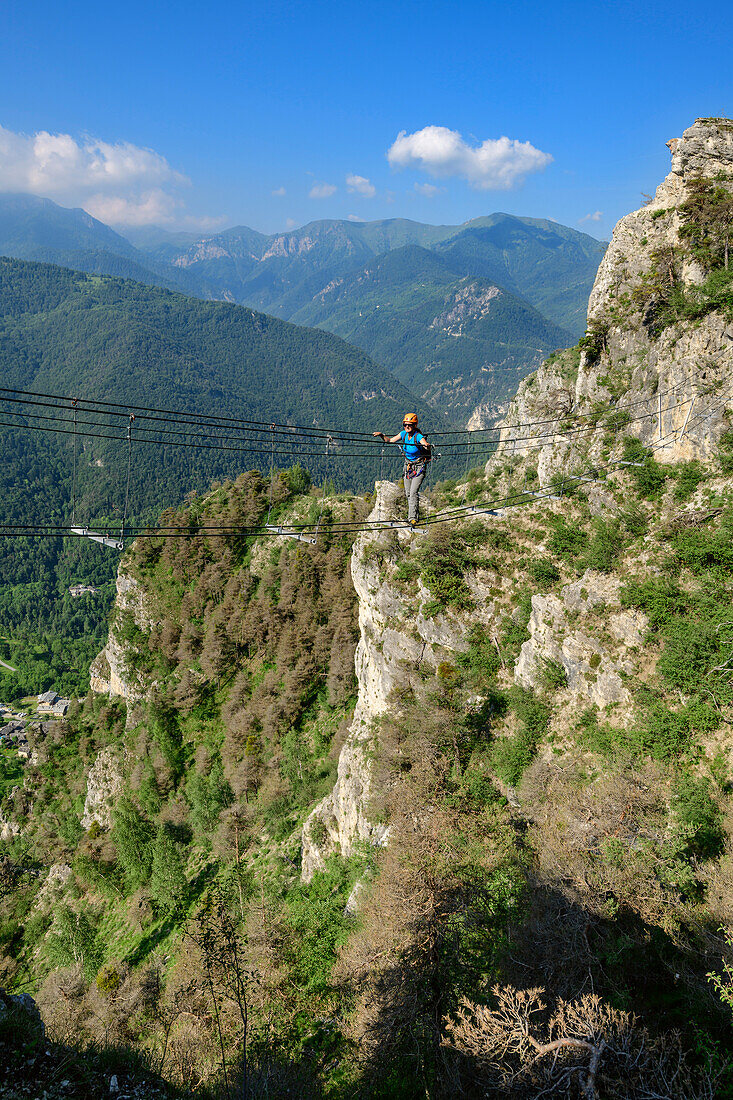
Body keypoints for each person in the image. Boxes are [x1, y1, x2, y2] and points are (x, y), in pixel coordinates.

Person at [373, 413, 432, 526]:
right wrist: (381, 435)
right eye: (405, 425)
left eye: (409, 425)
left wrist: (427, 446)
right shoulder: (403, 434)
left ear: (414, 425)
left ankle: (412, 518)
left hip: (419, 467)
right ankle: (414, 516)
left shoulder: (418, 436)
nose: (407, 427)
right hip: (408, 467)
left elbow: (424, 444)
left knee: (413, 492)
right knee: (408, 493)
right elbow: (389, 441)